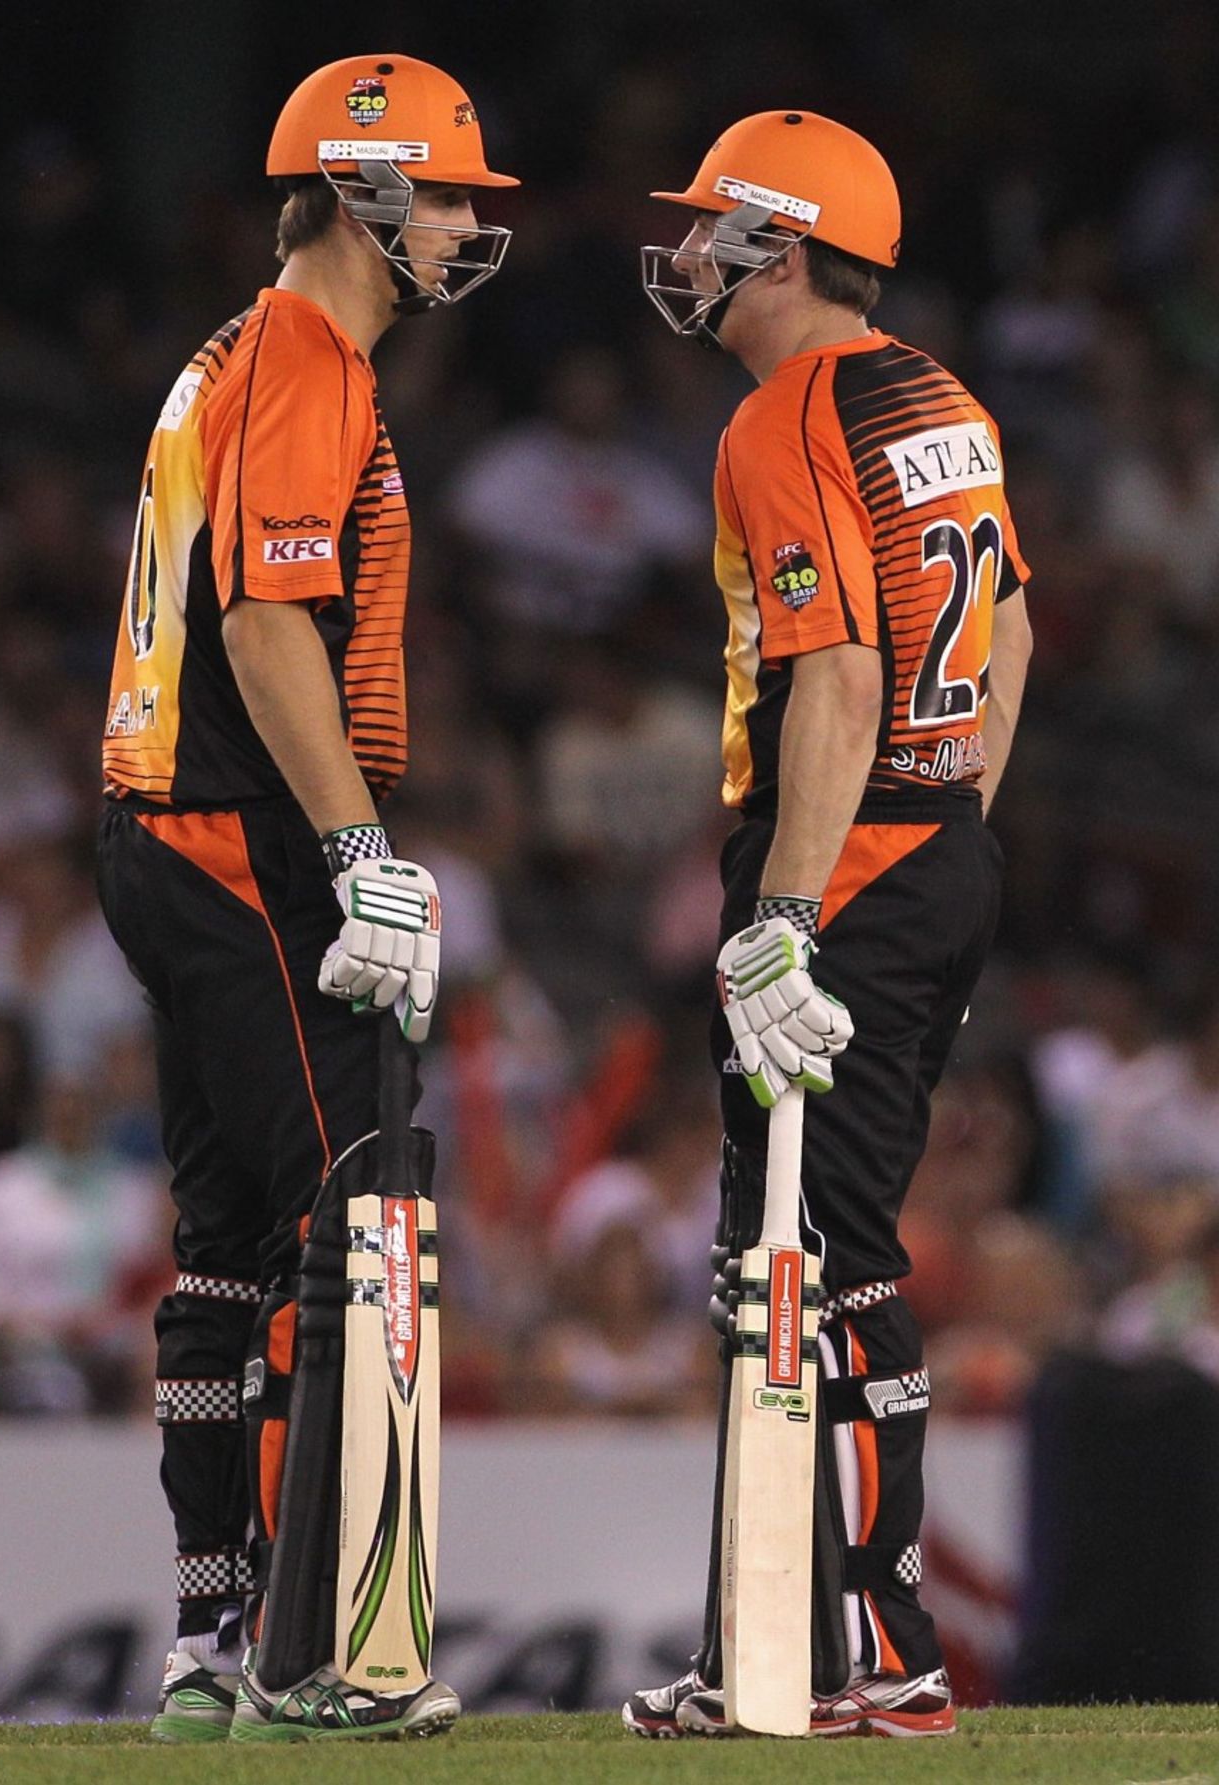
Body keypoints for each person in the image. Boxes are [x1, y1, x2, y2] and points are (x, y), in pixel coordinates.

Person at [94, 54, 516, 1742]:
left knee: (223, 1252)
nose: (472, 223)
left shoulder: (231, 353)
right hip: (241, 837)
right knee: (363, 1213)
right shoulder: (308, 354)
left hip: (162, 831)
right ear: (365, 195)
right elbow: (272, 628)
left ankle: (209, 1635)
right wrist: (358, 854)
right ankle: (321, 1649)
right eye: (452, 193)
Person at [622, 110, 1033, 1739]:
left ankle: (878, 1647)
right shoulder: (946, 393)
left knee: (816, 1256)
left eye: (716, 228)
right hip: (936, 846)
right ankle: (771, 1645)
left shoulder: (782, 413)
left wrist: (789, 904)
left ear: (782, 245)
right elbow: (1005, 637)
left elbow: (842, 670)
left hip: (843, 863)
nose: (695, 256)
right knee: (789, 1252)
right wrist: (957, 827)